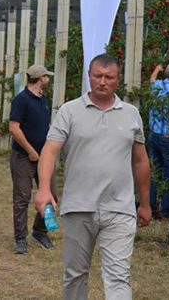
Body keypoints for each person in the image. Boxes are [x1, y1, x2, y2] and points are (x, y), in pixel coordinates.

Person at [35, 54, 151, 299]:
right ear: (89, 76)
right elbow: (50, 151)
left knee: (119, 275)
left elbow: (140, 160)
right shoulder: (69, 111)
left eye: (109, 77)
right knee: (75, 274)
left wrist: (145, 203)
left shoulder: (131, 114)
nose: (102, 82)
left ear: (118, 80)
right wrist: (44, 188)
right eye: (97, 76)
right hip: (79, 206)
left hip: (119, 208)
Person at [8, 64, 55, 255]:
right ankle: (20, 239)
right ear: (40, 78)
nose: (49, 79)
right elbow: (13, 127)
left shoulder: (44, 100)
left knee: (51, 194)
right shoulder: (21, 100)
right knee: (22, 197)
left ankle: (41, 231)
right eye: (46, 76)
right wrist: (30, 150)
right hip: (23, 156)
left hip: (44, 156)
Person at [148, 62, 169, 220]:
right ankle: (167, 212)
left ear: (166, 73)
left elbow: (152, 79)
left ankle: (151, 207)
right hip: (168, 138)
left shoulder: (158, 86)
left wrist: (157, 68)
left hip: (154, 136)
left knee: (155, 173)